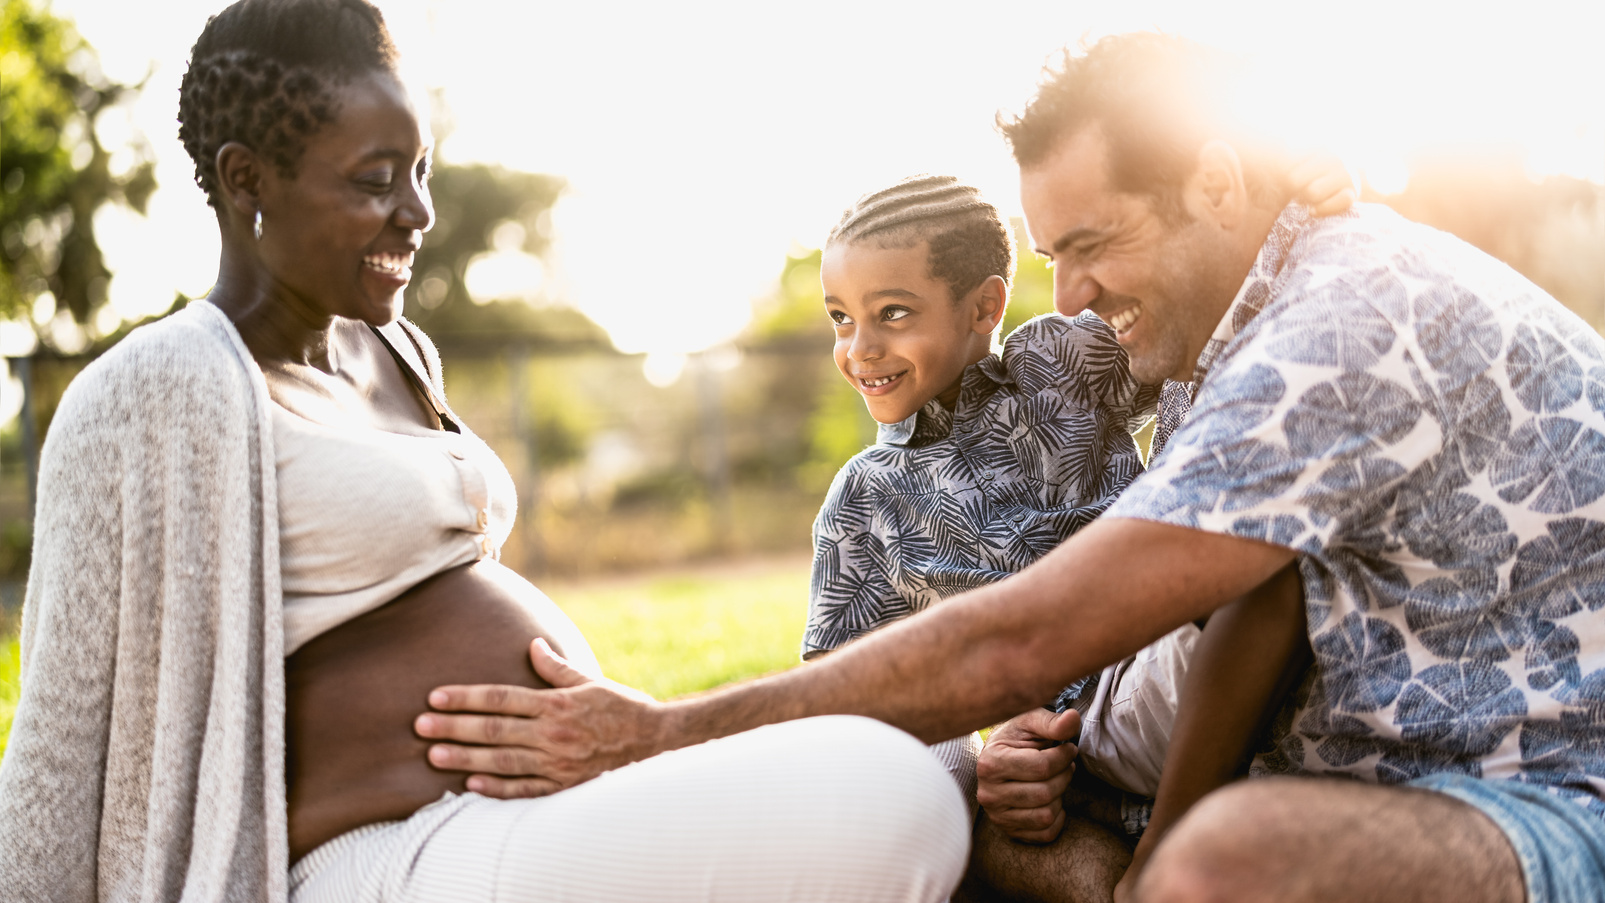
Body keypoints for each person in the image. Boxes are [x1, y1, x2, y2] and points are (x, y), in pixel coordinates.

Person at [417, 32, 1605, 903]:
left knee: (1218, 866)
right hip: (1295, 756)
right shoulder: (1229, 313)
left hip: (1547, 793)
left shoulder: (1337, 324)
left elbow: (1022, 640)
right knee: (960, 814)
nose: (1070, 294)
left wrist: (655, 734)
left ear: (1218, 184)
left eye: (1091, 245)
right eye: (1053, 256)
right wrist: (1020, 756)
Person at [0, 1, 968, 900]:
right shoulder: (152, 391)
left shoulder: (395, 351)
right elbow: (58, 747)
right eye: (375, 181)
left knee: (923, 758)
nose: (417, 211)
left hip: (516, 815)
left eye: (421, 171)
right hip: (374, 854)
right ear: (246, 177)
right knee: (892, 797)